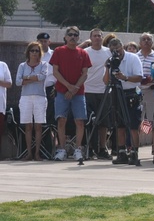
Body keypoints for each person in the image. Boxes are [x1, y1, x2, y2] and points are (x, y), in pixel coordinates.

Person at [50, 26, 92, 161]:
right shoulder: (58, 51)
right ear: (65, 37)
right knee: (61, 120)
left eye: (75, 35)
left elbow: (85, 73)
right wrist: (68, 87)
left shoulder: (83, 53)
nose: (73, 37)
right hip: (62, 91)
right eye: (70, 34)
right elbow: (55, 72)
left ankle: (78, 149)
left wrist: (74, 88)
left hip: (78, 93)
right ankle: (61, 149)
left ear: (79, 37)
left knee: (79, 121)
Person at [103, 36, 145, 166]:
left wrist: (124, 78)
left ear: (122, 48)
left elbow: (139, 78)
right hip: (116, 93)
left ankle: (134, 152)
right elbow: (105, 81)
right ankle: (121, 152)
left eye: (118, 50)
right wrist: (107, 68)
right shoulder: (111, 60)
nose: (117, 53)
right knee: (119, 125)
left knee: (133, 125)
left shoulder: (133, 58)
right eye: (114, 51)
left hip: (131, 93)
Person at [15, 42, 49, 161]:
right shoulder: (22, 66)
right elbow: (18, 82)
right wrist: (33, 78)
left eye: (36, 51)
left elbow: (42, 77)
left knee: (38, 126)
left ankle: (37, 154)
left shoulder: (44, 64)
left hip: (40, 97)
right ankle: (29, 153)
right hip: (25, 97)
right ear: (28, 52)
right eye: (32, 50)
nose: (34, 53)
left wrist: (27, 78)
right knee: (28, 126)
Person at [84, 29, 112, 159]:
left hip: (104, 91)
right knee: (89, 121)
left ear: (102, 38)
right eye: (94, 36)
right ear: (90, 38)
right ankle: (89, 147)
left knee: (103, 122)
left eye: (99, 36)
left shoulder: (108, 52)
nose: (97, 38)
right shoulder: (85, 52)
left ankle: (102, 148)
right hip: (87, 90)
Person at [137, 33, 154, 162]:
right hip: (137, 91)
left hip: (152, 91)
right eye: (144, 39)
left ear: (152, 42)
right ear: (140, 42)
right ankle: (134, 147)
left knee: (152, 120)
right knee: (138, 119)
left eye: (149, 39)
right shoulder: (135, 57)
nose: (146, 41)